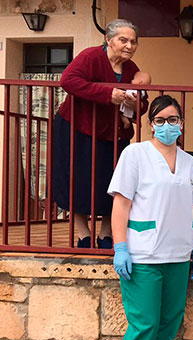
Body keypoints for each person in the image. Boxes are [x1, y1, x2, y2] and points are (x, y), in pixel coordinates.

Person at [108, 95, 193, 340]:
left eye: (172, 120)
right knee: (144, 327)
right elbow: (121, 204)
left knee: (167, 326)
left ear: (182, 124)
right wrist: (120, 246)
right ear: (151, 125)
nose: (167, 126)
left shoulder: (191, 164)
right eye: (160, 121)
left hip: (178, 255)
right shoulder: (135, 155)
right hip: (143, 256)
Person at [52, 19, 146, 249]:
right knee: (78, 181)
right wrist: (107, 93)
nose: (129, 46)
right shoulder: (91, 56)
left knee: (112, 183)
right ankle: (83, 235)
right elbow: (68, 80)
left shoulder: (131, 69)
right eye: (123, 40)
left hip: (113, 134)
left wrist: (135, 104)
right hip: (77, 127)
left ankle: (106, 234)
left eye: (133, 42)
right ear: (108, 39)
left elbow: (141, 105)